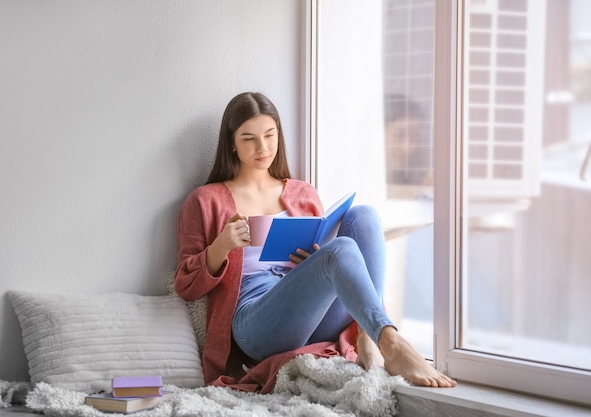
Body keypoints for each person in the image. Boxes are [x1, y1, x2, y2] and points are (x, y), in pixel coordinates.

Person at [174, 92, 456, 393]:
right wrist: (221, 247)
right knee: (342, 250)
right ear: (231, 142)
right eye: (249, 139)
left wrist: (315, 261)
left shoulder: (302, 193)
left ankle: (366, 334)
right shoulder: (206, 200)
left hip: (310, 313)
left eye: (270, 135)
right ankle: (391, 342)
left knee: (364, 216)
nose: (263, 147)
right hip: (256, 322)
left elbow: (326, 255)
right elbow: (185, 285)